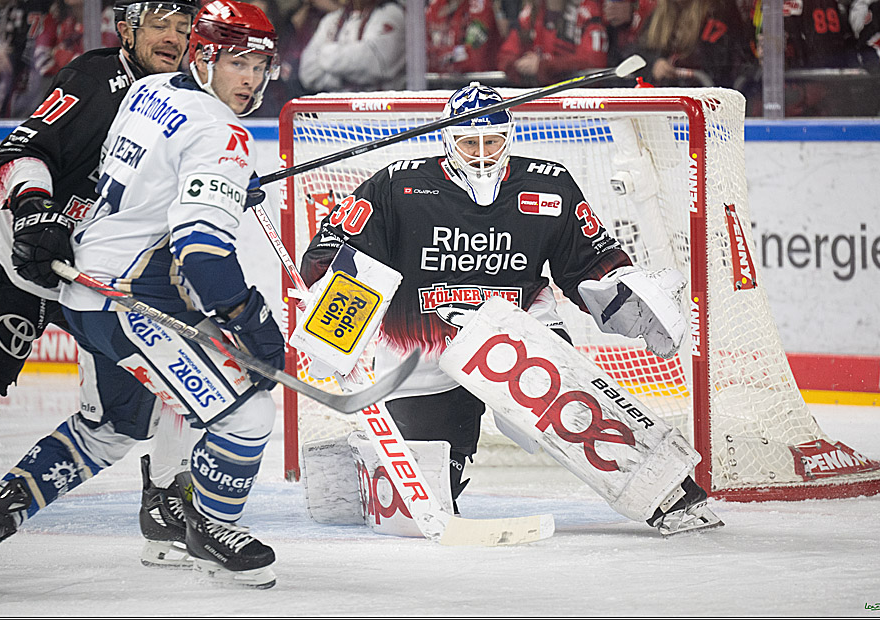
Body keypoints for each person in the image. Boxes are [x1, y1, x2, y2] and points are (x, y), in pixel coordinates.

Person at [0, 0, 286, 591]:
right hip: (125, 297)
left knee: (115, 424)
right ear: (207, 55)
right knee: (248, 412)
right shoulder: (223, 133)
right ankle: (207, 531)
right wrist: (250, 319)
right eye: (239, 62)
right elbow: (202, 254)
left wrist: (210, 189)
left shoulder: (154, 90)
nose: (250, 78)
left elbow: (144, 178)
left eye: (260, 65)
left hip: (82, 284)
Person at [0, 0, 199, 594]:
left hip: (91, 278)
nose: (173, 36)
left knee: (160, 391)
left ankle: (163, 507)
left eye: (183, 25)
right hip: (19, 255)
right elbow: (20, 150)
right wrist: (35, 214)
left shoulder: (190, 103)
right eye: (159, 23)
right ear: (129, 26)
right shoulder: (97, 79)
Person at [298, 82, 709, 531]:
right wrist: (332, 310)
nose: (480, 153)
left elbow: (589, 260)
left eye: (490, 141)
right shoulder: (399, 184)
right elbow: (333, 246)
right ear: (448, 140)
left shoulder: (549, 185)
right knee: (415, 507)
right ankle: (382, 471)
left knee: (571, 407)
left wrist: (627, 296)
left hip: (521, 332)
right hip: (421, 343)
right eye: (468, 142)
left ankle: (668, 490)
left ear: (508, 138)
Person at [298, 0, 405, 93]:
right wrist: (349, 75)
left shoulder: (393, 14)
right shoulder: (331, 20)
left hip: (382, 112)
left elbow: (372, 65)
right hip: (336, 112)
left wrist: (325, 54)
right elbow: (307, 72)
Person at [34, 0, 121, 78]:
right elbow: (41, 64)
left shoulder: (111, 19)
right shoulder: (62, 21)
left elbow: (96, 69)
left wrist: (60, 55)